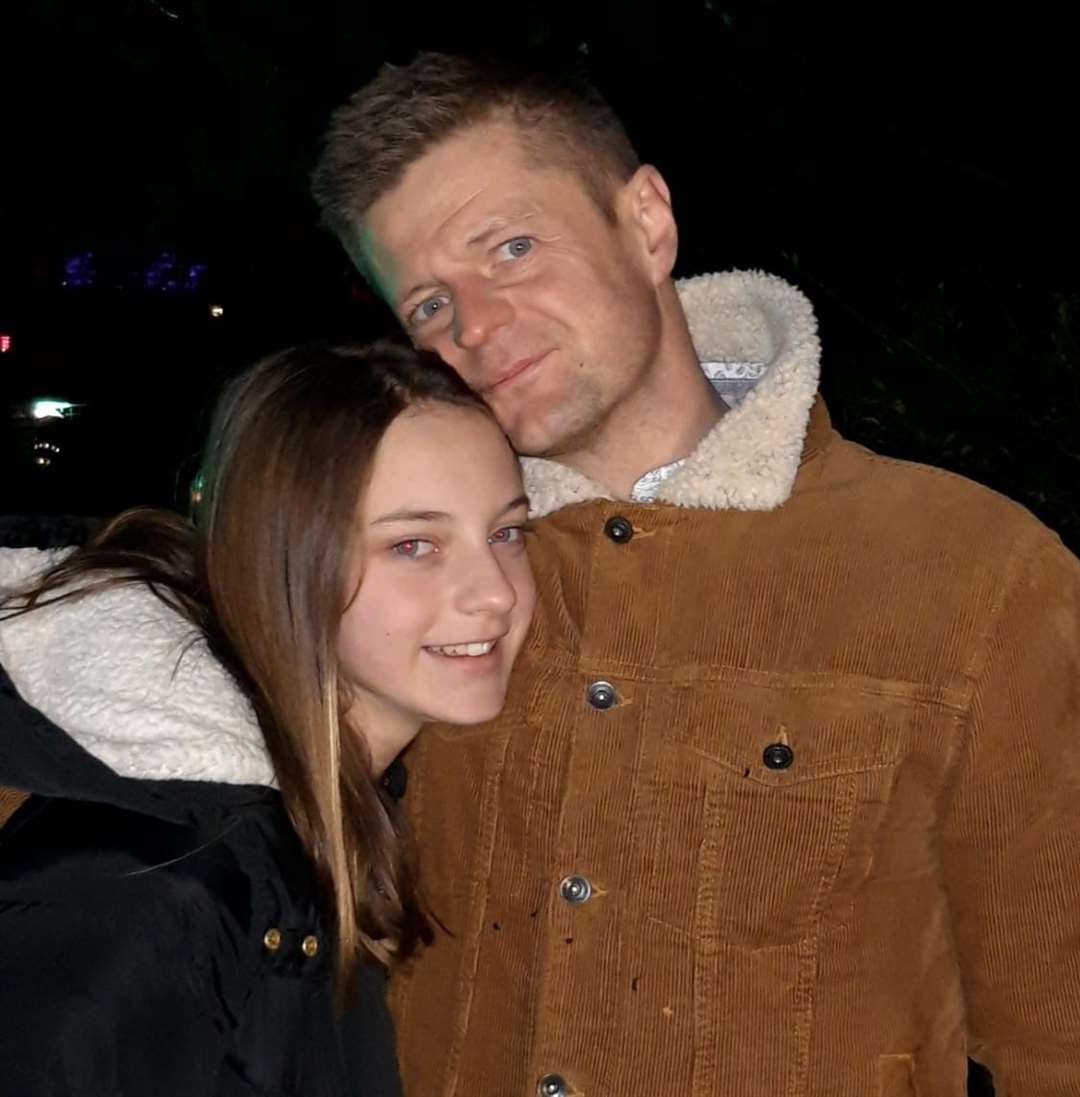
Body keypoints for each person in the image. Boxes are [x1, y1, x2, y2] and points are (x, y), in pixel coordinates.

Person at [304, 54, 1080, 1095]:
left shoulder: (975, 571)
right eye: (431, 305)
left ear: (649, 222)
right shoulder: (395, 582)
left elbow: (1058, 1032)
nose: (474, 329)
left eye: (514, 247)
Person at [0, 340, 536, 1096]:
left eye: (508, 532)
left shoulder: (328, 808)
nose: (496, 593)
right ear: (285, 560)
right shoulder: (160, 868)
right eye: (414, 544)